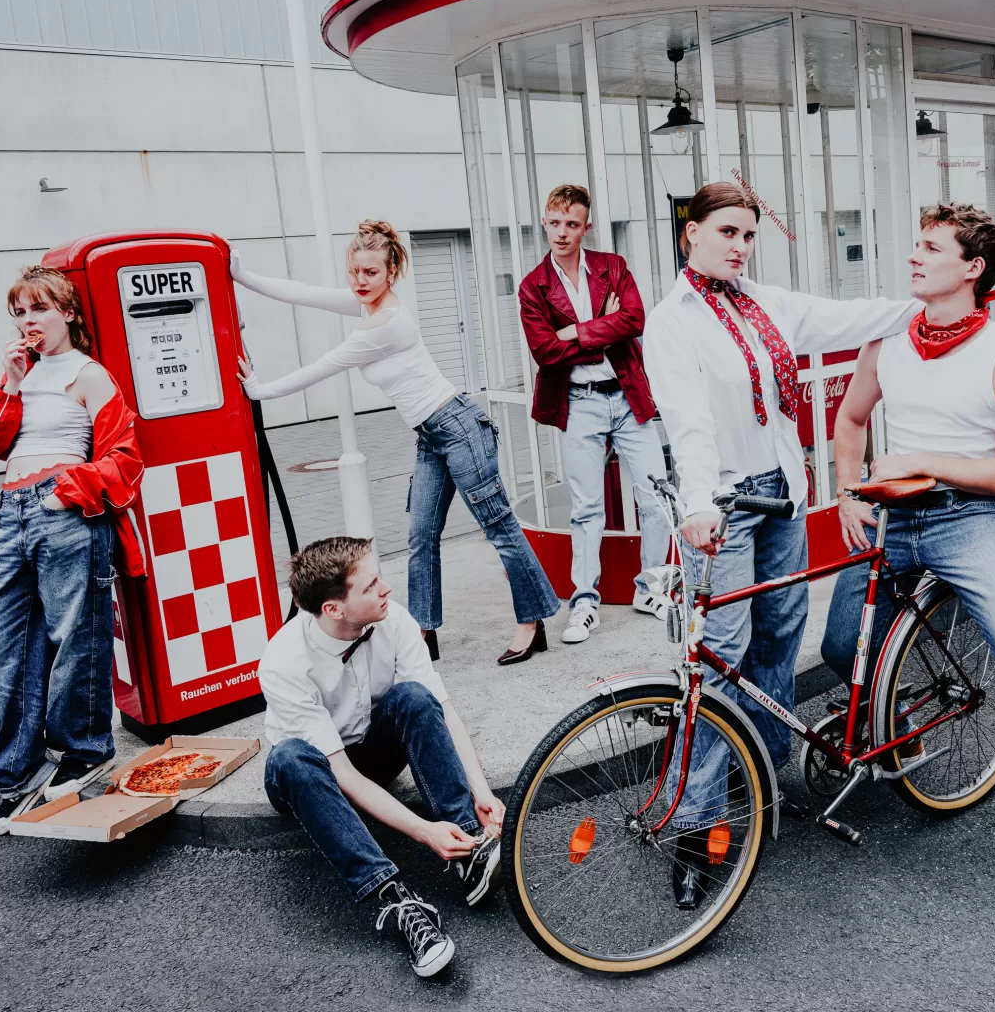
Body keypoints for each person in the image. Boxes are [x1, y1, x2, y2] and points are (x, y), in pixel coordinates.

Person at [643, 182, 919, 907]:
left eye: (748, 235)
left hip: (785, 494)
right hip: (724, 503)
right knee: (719, 657)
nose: (740, 246)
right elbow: (688, 422)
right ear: (691, 233)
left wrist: (935, 303)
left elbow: (846, 318)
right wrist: (698, 505)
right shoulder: (671, 322)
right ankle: (694, 824)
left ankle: (761, 777)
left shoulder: (766, 303)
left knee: (779, 636)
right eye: (726, 232)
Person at [822, 203, 995, 870]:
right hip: (892, 517)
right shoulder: (887, 342)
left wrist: (923, 461)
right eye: (916, 245)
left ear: (973, 268)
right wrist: (847, 491)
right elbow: (850, 420)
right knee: (841, 647)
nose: (913, 256)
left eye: (930, 248)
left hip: (969, 517)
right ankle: (901, 728)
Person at [233, 222, 560, 666]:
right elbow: (304, 293)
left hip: (459, 428)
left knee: (499, 529)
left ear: (391, 272)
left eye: (370, 272)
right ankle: (422, 633)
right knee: (420, 536)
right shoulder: (367, 305)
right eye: (354, 271)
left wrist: (261, 390)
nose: (360, 281)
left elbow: (325, 366)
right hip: (431, 436)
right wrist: (243, 276)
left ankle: (532, 622)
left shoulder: (385, 325)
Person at [259, 536, 503, 979]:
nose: (386, 589)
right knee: (291, 758)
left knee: (415, 696)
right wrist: (424, 832)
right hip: (316, 778)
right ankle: (398, 900)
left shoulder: (394, 619)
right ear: (333, 608)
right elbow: (343, 775)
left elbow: (442, 710)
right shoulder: (283, 662)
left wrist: (480, 791)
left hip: (374, 750)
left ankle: (468, 848)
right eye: (370, 586)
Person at [0, 264, 146, 832]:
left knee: (76, 637)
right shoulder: (20, 377)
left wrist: (66, 490)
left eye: (40, 308)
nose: (29, 321)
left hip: (64, 511)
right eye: (20, 312)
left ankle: (85, 749)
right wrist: (11, 382)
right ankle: (23, 771)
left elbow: (125, 457)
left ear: (68, 313)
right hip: (11, 518)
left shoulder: (89, 374)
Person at [517, 184, 671, 644]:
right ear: (544, 222)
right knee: (586, 509)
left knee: (657, 497)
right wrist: (604, 326)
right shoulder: (533, 286)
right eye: (554, 223)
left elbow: (635, 319)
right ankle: (584, 603)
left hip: (626, 395)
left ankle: (651, 589)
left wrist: (576, 332)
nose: (561, 233)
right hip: (579, 402)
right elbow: (545, 352)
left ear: (587, 227)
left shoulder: (612, 266)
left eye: (571, 224)